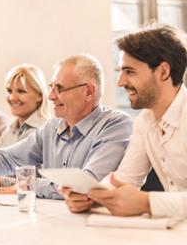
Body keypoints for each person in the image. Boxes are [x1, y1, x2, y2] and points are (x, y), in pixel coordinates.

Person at [0, 54, 134, 199]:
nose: (51, 96)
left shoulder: (115, 125)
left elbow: (86, 185)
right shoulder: (52, 128)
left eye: (59, 89)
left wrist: (28, 185)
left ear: (88, 91)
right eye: (51, 88)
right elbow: (6, 158)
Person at [59, 22, 187, 217]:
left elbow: (144, 200)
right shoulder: (145, 121)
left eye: (130, 71)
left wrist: (146, 203)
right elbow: (126, 176)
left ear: (163, 71)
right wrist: (92, 196)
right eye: (121, 72)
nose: (120, 83)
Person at [0, 63, 50, 189]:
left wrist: (0, 181)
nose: (12, 98)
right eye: (9, 91)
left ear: (40, 95)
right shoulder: (9, 130)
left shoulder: (47, 130)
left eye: (21, 91)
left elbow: (46, 182)